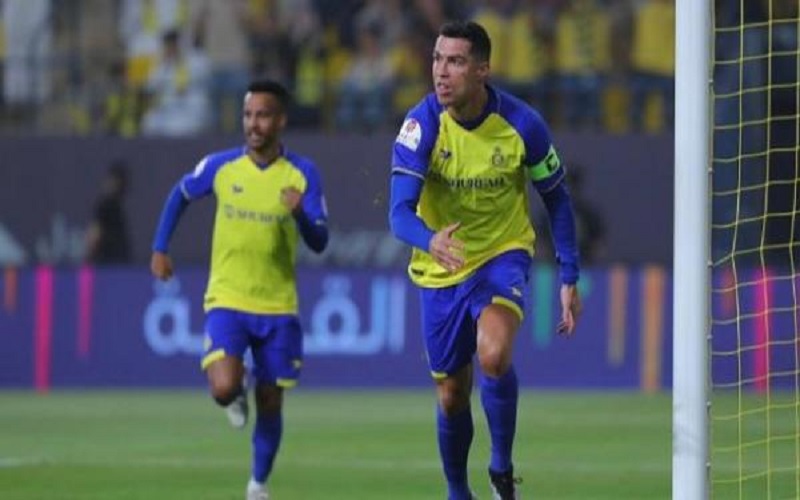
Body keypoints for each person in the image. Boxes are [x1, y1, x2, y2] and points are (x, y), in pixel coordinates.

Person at [388, 21, 581, 500]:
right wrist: (430, 240)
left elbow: (556, 198)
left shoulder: (522, 124)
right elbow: (398, 213)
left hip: (501, 254)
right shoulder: (422, 125)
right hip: (441, 267)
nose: (441, 71)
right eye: (437, 59)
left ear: (482, 70)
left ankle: (501, 469)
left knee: (493, 354)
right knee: (452, 394)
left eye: (455, 61)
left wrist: (568, 274)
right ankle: (458, 491)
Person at [150, 79, 329, 500]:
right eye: (248, 115)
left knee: (271, 400)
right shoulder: (221, 166)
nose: (253, 124)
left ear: (280, 121)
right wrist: (160, 247)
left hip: (278, 305)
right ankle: (234, 395)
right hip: (227, 298)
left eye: (263, 115)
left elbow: (320, 241)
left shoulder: (303, 173)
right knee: (223, 387)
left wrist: (300, 214)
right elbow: (179, 195)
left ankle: (257, 484)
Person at [86, 160, 132, 264]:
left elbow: (94, 236)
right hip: (110, 263)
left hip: (113, 263)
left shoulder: (112, 206)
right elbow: (94, 235)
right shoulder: (106, 206)